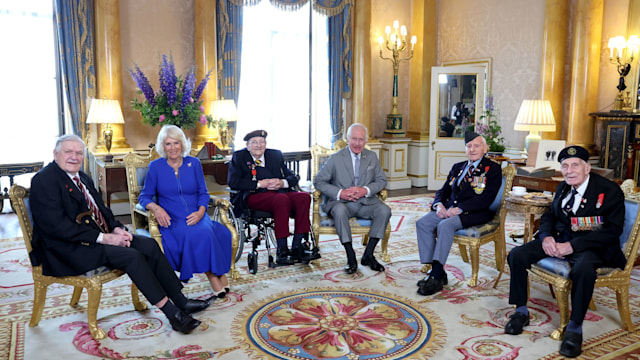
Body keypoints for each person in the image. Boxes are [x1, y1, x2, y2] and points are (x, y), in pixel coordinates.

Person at [29, 134, 209, 334]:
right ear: (55, 154)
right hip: (64, 249)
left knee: (148, 245)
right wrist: (105, 238)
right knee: (132, 256)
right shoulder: (44, 180)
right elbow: (56, 227)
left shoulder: (82, 177)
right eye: (68, 152)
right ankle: (172, 313)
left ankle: (181, 301)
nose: (74, 157)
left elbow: (103, 212)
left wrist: (116, 229)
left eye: (79, 153)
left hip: (92, 240)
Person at [504, 145, 626, 358]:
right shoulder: (562, 187)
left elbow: (612, 231)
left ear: (587, 167)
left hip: (591, 246)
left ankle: (574, 329)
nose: (569, 170)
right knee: (517, 255)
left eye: (575, 165)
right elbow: (550, 216)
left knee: (584, 269)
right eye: (565, 166)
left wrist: (573, 246)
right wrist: (546, 237)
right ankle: (521, 311)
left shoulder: (609, 191)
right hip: (559, 240)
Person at [139, 125, 232, 299]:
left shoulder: (194, 163)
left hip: (197, 212)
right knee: (192, 234)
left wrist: (201, 212)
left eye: (176, 143)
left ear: (182, 144)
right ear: (162, 146)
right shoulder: (155, 167)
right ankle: (213, 275)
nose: (173, 148)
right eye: (168, 144)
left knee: (208, 230)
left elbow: (203, 193)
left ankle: (216, 273)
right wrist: (156, 208)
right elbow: (144, 197)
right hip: (172, 217)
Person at [415, 131, 501, 296]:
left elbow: (486, 198)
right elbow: (443, 190)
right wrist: (439, 205)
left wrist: (460, 209)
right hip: (449, 209)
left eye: (476, 146)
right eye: (469, 146)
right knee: (423, 223)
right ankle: (437, 271)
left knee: (445, 225)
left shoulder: (492, 169)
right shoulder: (458, 167)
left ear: (485, 148)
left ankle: (435, 276)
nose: (472, 149)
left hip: (475, 212)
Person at [227, 129, 318, 265]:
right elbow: (233, 182)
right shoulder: (239, 157)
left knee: (303, 197)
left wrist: (282, 182)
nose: (259, 145)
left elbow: (292, 176)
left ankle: (297, 246)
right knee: (282, 200)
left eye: (262, 142)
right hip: (254, 195)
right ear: (248, 146)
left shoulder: (275, 155)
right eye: (255, 142)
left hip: (280, 193)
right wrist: (258, 183)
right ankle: (282, 250)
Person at [314, 123, 391, 274]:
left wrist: (365, 190)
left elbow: (382, 180)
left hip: (366, 202)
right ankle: (350, 256)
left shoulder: (371, 157)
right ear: (348, 139)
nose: (357, 143)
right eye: (354, 139)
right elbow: (319, 181)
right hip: (341, 202)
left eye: (361, 139)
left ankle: (368, 255)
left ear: (366, 141)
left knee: (384, 210)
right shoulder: (336, 158)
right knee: (340, 211)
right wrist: (340, 193)